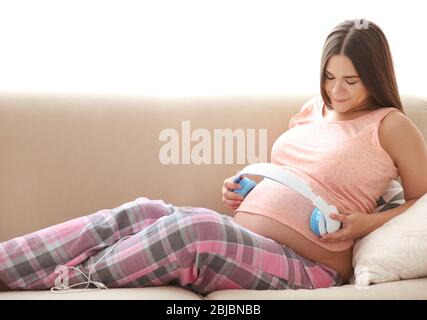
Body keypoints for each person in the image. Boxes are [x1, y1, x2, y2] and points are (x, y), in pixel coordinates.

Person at [0, 19, 426, 295]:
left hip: (310, 265)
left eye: (351, 81)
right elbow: (300, 174)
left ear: (375, 76)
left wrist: (364, 223)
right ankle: (8, 260)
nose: (336, 91)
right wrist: (254, 188)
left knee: (194, 229)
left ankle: (62, 281)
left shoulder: (390, 125)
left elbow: (421, 202)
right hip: (253, 239)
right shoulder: (313, 108)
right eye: (329, 77)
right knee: (142, 210)